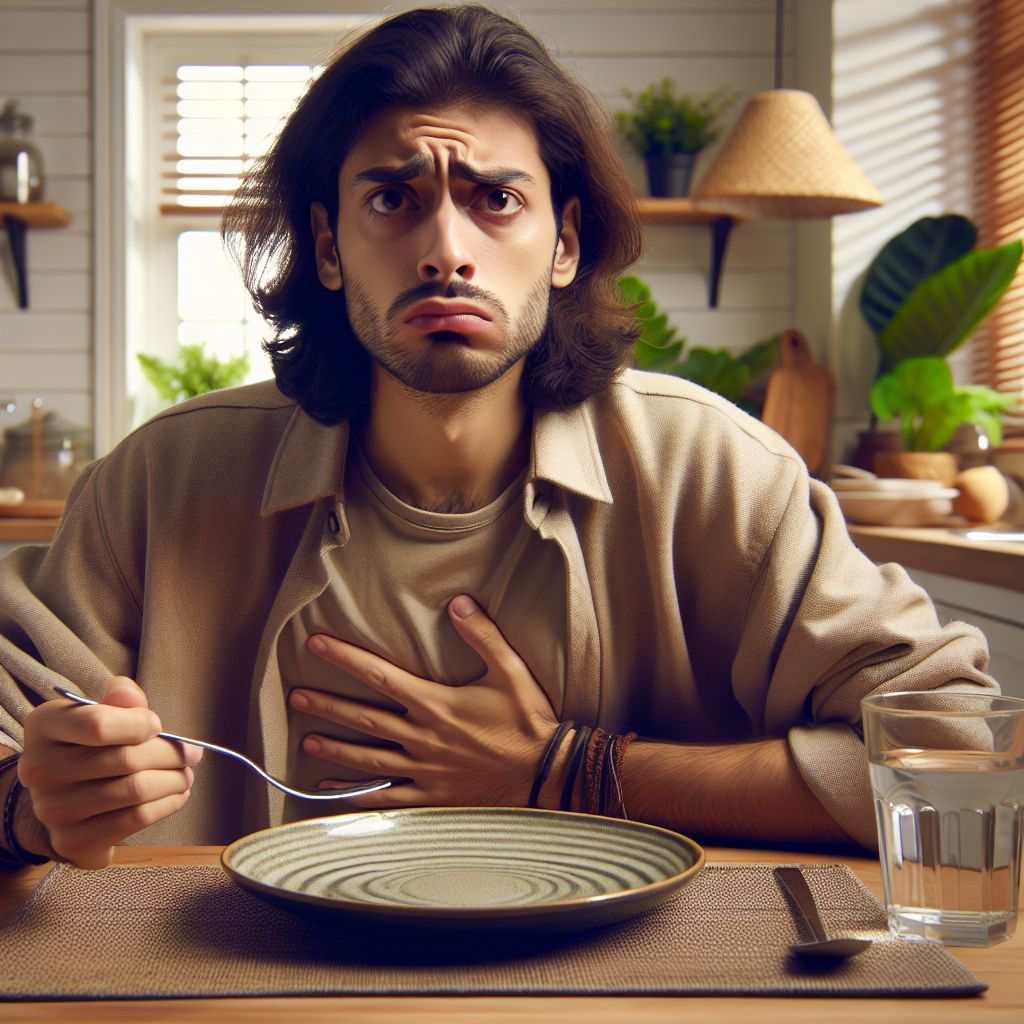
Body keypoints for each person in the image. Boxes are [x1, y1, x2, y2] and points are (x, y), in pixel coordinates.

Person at [0, 5, 995, 871]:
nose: (446, 250)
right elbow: (16, 741)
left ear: (564, 243)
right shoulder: (162, 479)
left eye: (496, 199)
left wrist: (572, 770)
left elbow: (951, 752)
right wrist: (30, 805)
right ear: (330, 247)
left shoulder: (714, 472)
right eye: (393, 199)